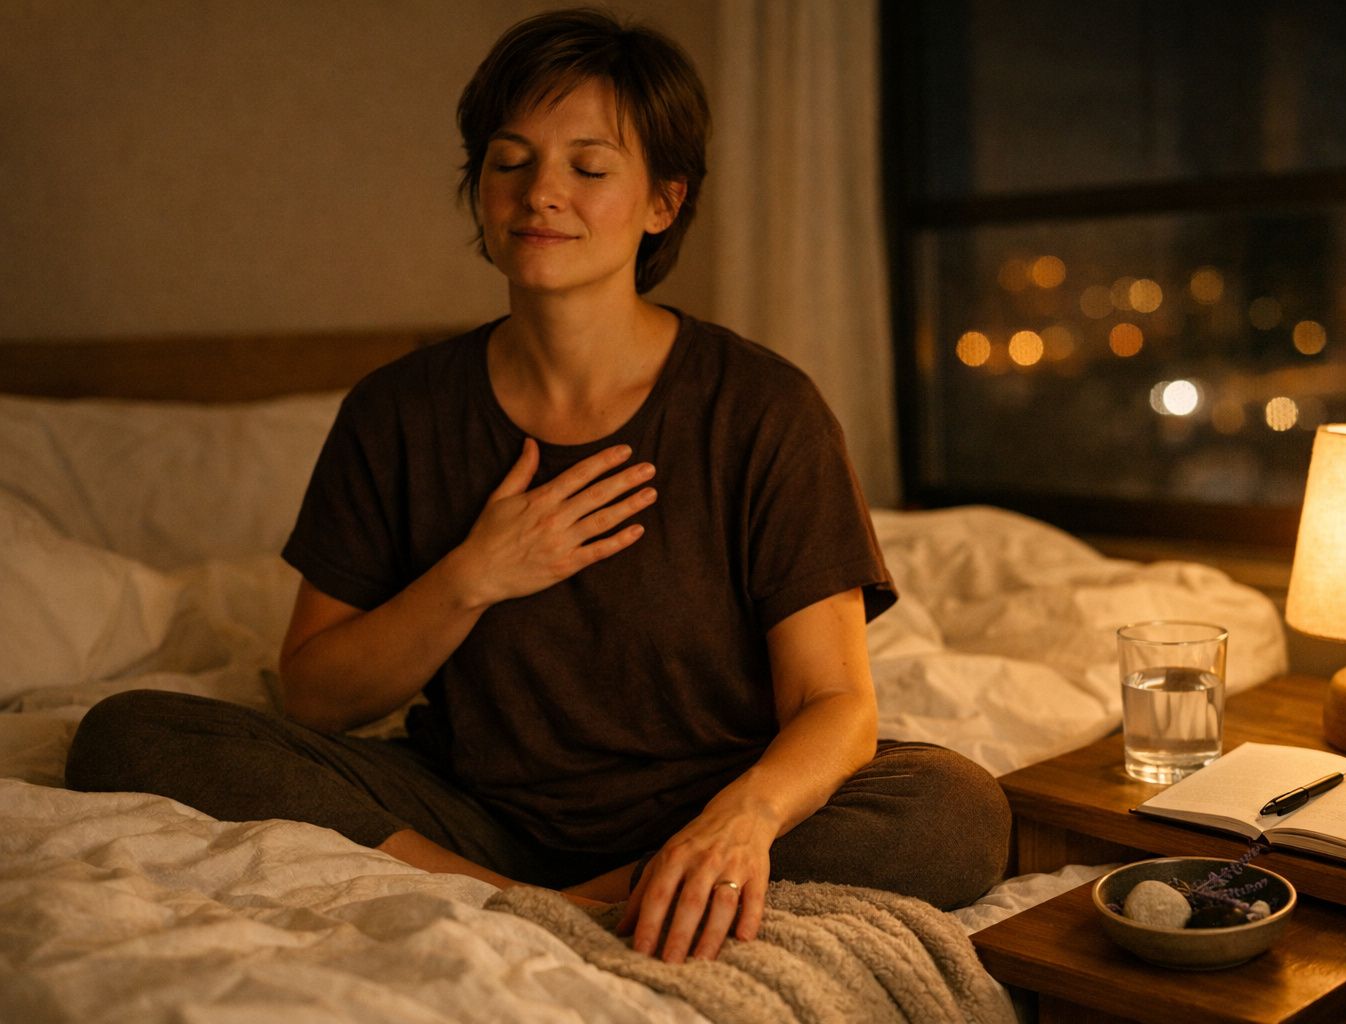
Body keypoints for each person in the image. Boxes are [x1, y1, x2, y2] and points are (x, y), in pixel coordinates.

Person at [65, 7, 1010, 963]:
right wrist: (474, 574)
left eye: (589, 167)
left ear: (662, 202)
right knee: (129, 733)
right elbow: (313, 695)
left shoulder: (762, 408)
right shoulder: (399, 411)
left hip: (702, 798)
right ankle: (528, 900)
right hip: (473, 813)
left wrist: (742, 821)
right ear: (479, 187)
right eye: (509, 160)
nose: (540, 193)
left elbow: (838, 705)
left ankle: (609, 891)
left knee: (956, 810)